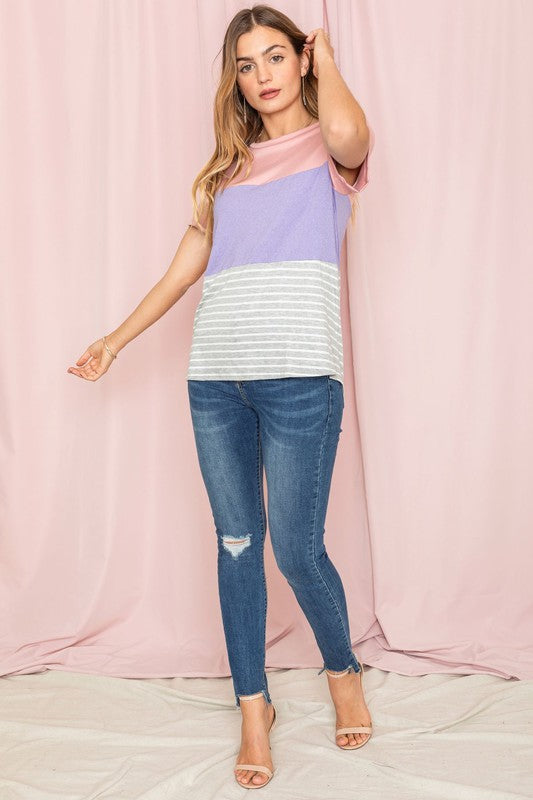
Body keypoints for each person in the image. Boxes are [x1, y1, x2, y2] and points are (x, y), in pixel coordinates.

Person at [67, 4, 374, 790]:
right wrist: (115, 338)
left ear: (300, 62)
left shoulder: (329, 153)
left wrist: (327, 58)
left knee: (296, 549)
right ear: (234, 79)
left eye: (277, 56)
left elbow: (349, 134)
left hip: (302, 376)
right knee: (236, 546)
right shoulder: (222, 171)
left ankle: (341, 670)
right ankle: (252, 708)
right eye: (247, 64)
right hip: (216, 381)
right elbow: (181, 272)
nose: (262, 75)